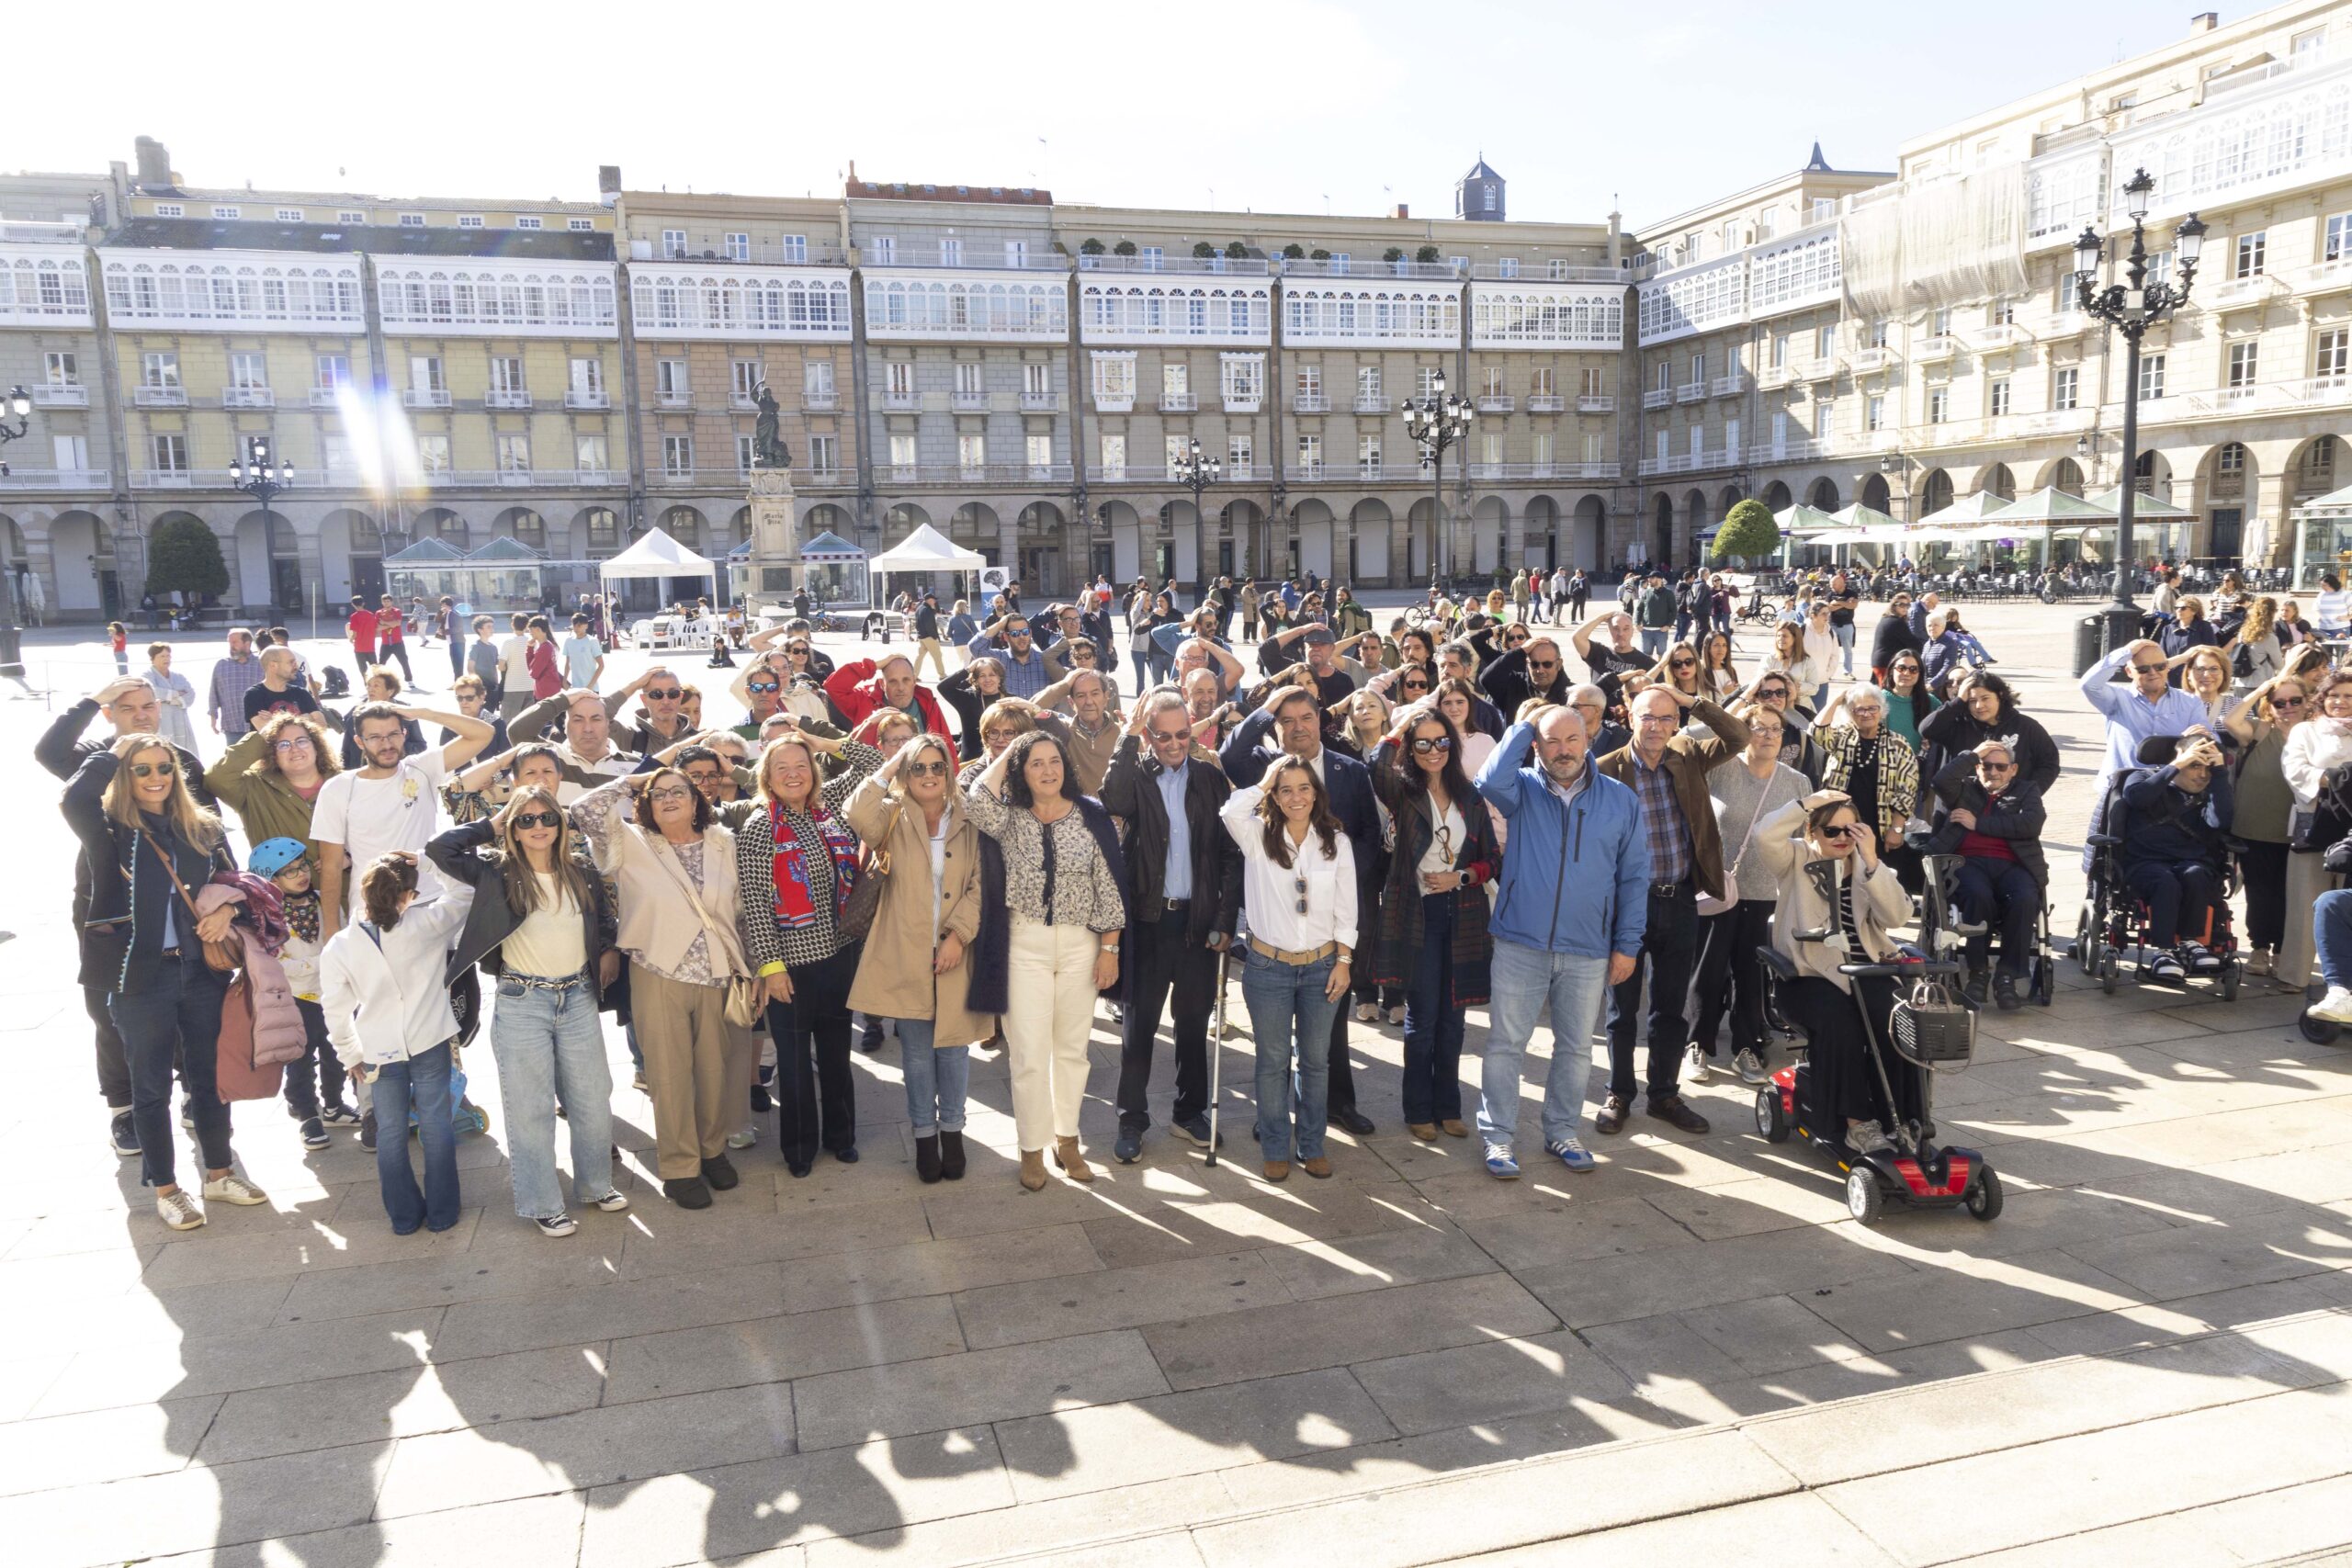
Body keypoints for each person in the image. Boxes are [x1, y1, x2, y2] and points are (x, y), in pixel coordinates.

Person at [61, 734, 270, 1229]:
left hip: (201, 971)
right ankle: (167, 1189)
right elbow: (73, 798)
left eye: (164, 768)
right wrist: (116, 751)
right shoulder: (109, 832)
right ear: (124, 776)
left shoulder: (203, 827)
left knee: (209, 1079)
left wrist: (227, 910)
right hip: (139, 977)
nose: (156, 778)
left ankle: (219, 1175)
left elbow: (240, 886)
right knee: (150, 1087)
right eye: (142, 769)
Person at [428, 788, 628, 1237]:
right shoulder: (496, 873)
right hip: (523, 1001)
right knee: (531, 1109)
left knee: (592, 1099)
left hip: (577, 997)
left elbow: (603, 920)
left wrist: (608, 949)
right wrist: (492, 824)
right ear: (513, 829)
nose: (539, 826)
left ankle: (596, 1185)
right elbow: (440, 849)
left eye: (547, 818)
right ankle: (542, 1203)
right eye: (526, 819)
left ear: (560, 824)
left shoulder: (581, 871)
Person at [1473, 705, 1646, 1177]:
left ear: (1588, 739)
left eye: (1572, 738)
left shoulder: (1619, 799)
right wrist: (1526, 724)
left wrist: (1627, 944)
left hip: (1587, 947)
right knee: (1506, 1044)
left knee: (1575, 1048)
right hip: (1520, 941)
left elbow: (1634, 877)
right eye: (1551, 740)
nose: (1563, 750)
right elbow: (1487, 780)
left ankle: (1562, 1131)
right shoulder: (1522, 788)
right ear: (1536, 744)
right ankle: (1498, 1137)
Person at [571, 764, 750, 1208]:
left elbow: (741, 911)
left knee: (714, 1071)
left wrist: (752, 967)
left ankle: (712, 1151)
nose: (669, 799)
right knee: (669, 1077)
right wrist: (633, 781)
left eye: (678, 791)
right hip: (657, 971)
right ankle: (680, 1167)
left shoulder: (723, 842)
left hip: (716, 973)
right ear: (645, 804)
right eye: (658, 794)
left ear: (696, 800)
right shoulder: (630, 841)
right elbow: (584, 809)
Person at [966, 731, 1128, 1190]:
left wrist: (1110, 950)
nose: (1047, 770)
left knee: (1073, 1051)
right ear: (1021, 771)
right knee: (1029, 1055)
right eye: (1035, 762)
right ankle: (1031, 1148)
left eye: (1053, 760)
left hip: (1081, 946)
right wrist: (1013, 747)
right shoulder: (1009, 818)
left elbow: (1110, 886)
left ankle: (1068, 1140)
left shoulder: (1091, 815)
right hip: (1025, 946)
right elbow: (976, 798)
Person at [1220, 678, 1382, 1136]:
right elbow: (1230, 755)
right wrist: (1266, 707)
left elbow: (1368, 834)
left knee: (1329, 1030)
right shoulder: (1264, 764)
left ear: (1320, 719)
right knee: (1274, 1044)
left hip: (1330, 922)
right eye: (1286, 720)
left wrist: (1336, 871)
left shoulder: (1350, 769)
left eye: (1306, 717)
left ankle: (1338, 1105)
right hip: (1275, 930)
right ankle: (1275, 1116)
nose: (1298, 727)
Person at [1594, 684, 1750, 1137]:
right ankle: (1619, 1093)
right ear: (1630, 718)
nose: (1657, 727)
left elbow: (1739, 737)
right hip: (1627, 906)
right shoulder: (1605, 770)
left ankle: (1664, 1094)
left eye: (1666, 718)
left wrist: (1690, 700)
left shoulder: (1688, 755)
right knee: (1622, 1008)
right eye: (1647, 716)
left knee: (1670, 1007)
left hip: (1680, 898)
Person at [844, 735, 998, 1182]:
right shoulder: (891, 814)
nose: (929, 775)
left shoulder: (970, 815)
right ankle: (925, 1137)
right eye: (918, 767)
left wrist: (958, 936)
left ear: (949, 770)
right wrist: (893, 762)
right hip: (905, 951)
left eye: (937, 766)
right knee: (915, 1053)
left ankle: (953, 1132)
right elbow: (856, 813)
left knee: (953, 1050)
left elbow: (982, 884)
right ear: (905, 773)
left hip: (956, 951)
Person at [1100, 692, 1242, 1163]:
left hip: (1198, 924)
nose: (1175, 744)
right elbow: (1112, 798)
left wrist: (1224, 919)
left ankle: (1189, 1112)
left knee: (1193, 1023)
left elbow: (1229, 854)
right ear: (1149, 735)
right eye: (1163, 736)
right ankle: (1131, 1118)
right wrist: (1127, 738)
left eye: (1183, 734)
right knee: (1139, 1026)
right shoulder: (1137, 775)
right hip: (1148, 921)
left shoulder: (1209, 778)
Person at [737, 724, 885, 1175]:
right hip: (792, 968)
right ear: (767, 777)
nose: (793, 774)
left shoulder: (831, 808)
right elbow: (756, 905)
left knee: (837, 1055)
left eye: (801, 765)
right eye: (781, 767)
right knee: (796, 1062)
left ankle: (841, 1137)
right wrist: (771, 967)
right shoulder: (759, 828)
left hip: (840, 956)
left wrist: (822, 743)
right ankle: (799, 1150)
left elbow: (877, 764)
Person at [1751, 792, 1917, 1155]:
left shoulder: (1867, 865)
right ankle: (1859, 1124)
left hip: (1865, 970)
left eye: (1850, 830)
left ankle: (1903, 1119)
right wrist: (1805, 803)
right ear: (1812, 831)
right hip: (1807, 975)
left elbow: (1898, 916)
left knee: (1899, 1018)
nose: (1842, 838)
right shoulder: (1796, 857)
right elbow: (1764, 835)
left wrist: (1872, 860)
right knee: (1841, 1022)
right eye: (1831, 831)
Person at [1366, 700, 1498, 1142]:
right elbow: (1377, 763)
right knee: (1422, 1019)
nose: (1433, 750)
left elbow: (1492, 860)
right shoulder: (1403, 793)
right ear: (1410, 748)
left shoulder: (1470, 796)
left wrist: (1462, 876)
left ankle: (1449, 1107)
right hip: (1417, 915)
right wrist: (1412, 717)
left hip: (1462, 915)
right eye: (1422, 744)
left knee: (1454, 1021)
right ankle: (1418, 1109)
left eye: (1441, 741)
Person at [321, 852, 473, 1233]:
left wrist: (349, 1054)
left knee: (390, 1132)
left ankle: (403, 1218)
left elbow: (335, 1010)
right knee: (436, 1125)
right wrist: (426, 861)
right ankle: (442, 1213)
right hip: (429, 1039)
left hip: (378, 1049)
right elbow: (465, 892)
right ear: (408, 895)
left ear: (364, 893)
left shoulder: (340, 945)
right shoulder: (427, 923)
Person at [1222, 757, 1356, 1181]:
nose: (1296, 797)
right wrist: (1264, 781)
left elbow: (1347, 908)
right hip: (1268, 969)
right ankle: (1275, 1146)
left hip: (1322, 967)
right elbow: (1230, 811)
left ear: (1316, 793)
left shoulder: (1335, 841)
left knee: (1315, 1061)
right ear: (1275, 798)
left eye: (1304, 788)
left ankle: (1312, 1145)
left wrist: (1344, 961)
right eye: (1286, 790)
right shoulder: (1257, 835)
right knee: (1273, 1061)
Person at [1689, 702, 1808, 1088]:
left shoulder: (1796, 782)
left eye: (1776, 729)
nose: (1769, 735)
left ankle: (1747, 1047)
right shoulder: (1720, 769)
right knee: (1707, 971)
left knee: (1752, 975)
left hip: (1768, 892)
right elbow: (1689, 737)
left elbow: (1804, 839)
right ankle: (1697, 1044)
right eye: (1759, 727)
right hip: (1717, 889)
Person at [1926, 739, 2047, 1010]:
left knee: (2025, 897)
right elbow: (1940, 781)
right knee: (1977, 894)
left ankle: (2007, 975)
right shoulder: (1964, 789)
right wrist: (1972, 754)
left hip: (2013, 864)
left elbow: (2031, 824)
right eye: (1986, 765)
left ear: (2013, 769)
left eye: (2000, 766)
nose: (1993, 772)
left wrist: (1977, 823)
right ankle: (1978, 971)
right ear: (1977, 767)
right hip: (1968, 862)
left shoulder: (2026, 790)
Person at [246, 836, 351, 1146]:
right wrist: (324, 961)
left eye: (302, 866)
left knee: (337, 1053)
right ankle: (307, 1115)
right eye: (289, 871)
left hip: (332, 992)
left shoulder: (323, 899)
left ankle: (334, 1105)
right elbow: (278, 962)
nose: (301, 874)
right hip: (295, 998)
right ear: (272, 880)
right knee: (300, 1060)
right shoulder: (268, 914)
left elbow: (342, 935)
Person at [2118, 736, 2234, 981]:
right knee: (2165, 881)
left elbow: (2220, 822)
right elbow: (2136, 799)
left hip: (2192, 862)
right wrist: (2176, 767)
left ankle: (2191, 943)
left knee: (2196, 875)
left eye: (2208, 767)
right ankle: (2164, 951)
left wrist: (2220, 773)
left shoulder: (2212, 789)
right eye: (2195, 765)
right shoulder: (2142, 777)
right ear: (2179, 759)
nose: (2202, 774)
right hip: (2145, 862)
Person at [2224, 673, 2309, 977]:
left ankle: (2283, 949)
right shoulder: (2261, 730)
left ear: (2307, 702)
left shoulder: (2315, 733)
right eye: (2279, 702)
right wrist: (2262, 688)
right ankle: (2259, 946)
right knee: (2259, 892)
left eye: (2295, 700)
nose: (2288, 707)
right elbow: (2231, 721)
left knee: (2290, 894)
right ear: (2269, 706)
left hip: (2299, 830)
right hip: (2255, 827)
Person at [2279, 671, 2352, 991]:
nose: (2340, 702)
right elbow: (2296, 771)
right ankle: (2294, 976)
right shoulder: (2305, 731)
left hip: (2350, 830)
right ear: (2323, 698)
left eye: (2349, 696)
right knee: (2304, 903)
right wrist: (2342, 779)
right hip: (2314, 825)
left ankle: (2344, 982)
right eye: (2334, 695)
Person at [2079, 639, 2211, 798]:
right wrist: (2126, 652)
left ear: (2167, 667)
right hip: (2122, 790)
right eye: (2143, 669)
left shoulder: (2190, 702)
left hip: (2172, 790)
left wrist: (2197, 738)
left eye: (2160, 667)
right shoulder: (2117, 699)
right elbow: (2089, 685)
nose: (2153, 673)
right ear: (2129, 672)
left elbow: (2210, 741)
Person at [1815, 687, 1920, 886]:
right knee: (1840, 882)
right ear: (1850, 713)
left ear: (1882, 710)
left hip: (1880, 826)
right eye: (1859, 709)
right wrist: (1837, 699)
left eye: (1872, 708)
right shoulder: (1842, 736)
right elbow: (1817, 732)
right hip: (1840, 825)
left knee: (1877, 882)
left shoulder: (1898, 743)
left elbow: (1907, 790)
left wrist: (1897, 829)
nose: (1866, 714)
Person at [826, 650, 955, 741]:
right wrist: (874, 666)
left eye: (906, 680)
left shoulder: (927, 702)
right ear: (882, 684)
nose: (900, 688)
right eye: (893, 681)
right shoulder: (865, 701)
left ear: (914, 681)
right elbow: (833, 686)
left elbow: (946, 746)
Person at [1570, 609, 1651, 710]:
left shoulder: (1647, 662)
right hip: (1598, 714)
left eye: (1626, 629)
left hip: (1628, 715)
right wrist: (1600, 618)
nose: (1621, 633)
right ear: (1608, 631)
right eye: (1615, 628)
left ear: (1632, 631)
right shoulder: (1599, 653)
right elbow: (1577, 637)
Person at [138, 641, 199, 755]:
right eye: (162, 656)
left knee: (184, 753)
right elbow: (152, 692)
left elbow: (191, 695)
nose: (166, 659)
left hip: (181, 720)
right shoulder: (147, 676)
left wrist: (170, 700)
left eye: (168, 656)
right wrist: (175, 694)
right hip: (162, 721)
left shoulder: (178, 676)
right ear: (153, 658)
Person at [243, 646, 325, 729]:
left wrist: (274, 720)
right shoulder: (254, 695)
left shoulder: (301, 693)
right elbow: (266, 732)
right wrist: (306, 718)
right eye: (291, 662)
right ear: (273, 665)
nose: (296, 666)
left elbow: (321, 726)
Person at [208, 627, 266, 742]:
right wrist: (213, 718)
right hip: (232, 727)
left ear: (247, 644)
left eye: (235, 642)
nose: (231, 646)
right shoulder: (222, 665)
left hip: (259, 727)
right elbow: (214, 693)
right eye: (229, 642)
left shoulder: (262, 664)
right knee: (235, 754)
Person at [1878, 651, 1940, 753]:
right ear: (1891, 670)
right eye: (1901, 668)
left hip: (1918, 761)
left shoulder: (1930, 701)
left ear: (1920, 674)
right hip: (1885, 760)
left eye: (1913, 669)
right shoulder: (1878, 700)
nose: (1907, 673)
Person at [1870, 590, 1923, 684]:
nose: (1905, 608)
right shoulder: (1896, 622)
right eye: (1901, 605)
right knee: (1887, 691)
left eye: (1907, 605)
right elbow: (1913, 643)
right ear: (1893, 606)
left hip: (1880, 661)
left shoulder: (1886, 619)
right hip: (1886, 663)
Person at [375, 594, 414, 685]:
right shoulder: (378, 613)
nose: (386, 603)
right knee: (381, 663)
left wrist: (384, 623)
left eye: (388, 601)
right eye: (384, 601)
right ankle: (379, 680)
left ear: (391, 602)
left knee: (404, 661)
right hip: (385, 642)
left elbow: (397, 623)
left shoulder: (397, 611)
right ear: (382, 602)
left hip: (397, 642)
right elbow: (378, 627)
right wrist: (391, 624)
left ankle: (409, 679)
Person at [559, 613, 605, 690]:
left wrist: (590, 686)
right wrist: (564, 681)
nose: (576, 628)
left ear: (586, 625)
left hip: (591, 689)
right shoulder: (569, 641)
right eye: (574, 625)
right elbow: (567, 664)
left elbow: (601, 665)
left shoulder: (592, 641)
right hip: (575, 688)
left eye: (579, 625)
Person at [346, 594, 379, 673]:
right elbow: (376, 630)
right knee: (375, 670)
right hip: (370, 646)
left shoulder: (354, 616)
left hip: (359, 647)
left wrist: (351, 639)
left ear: (353, 604)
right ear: (363, 603)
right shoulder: (371, 615)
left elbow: (355, 634)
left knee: (363, 670)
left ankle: (366, 681)